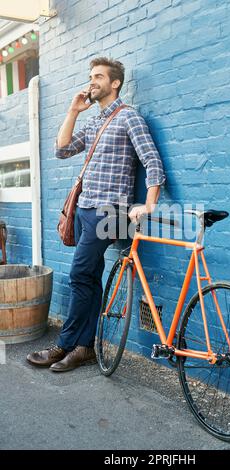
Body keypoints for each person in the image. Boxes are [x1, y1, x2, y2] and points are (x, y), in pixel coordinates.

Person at [27, 57, 166, 372]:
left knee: (79, 274)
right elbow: (62, 149)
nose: (92, 82)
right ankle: (84, 346)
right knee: (87, 277)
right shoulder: (94, 121)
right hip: (86, 208)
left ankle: (68, 344)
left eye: (99, 77)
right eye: (91, 76)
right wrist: (73, 111)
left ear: (115, 83)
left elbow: (152, 161)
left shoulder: (129, 118)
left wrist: (149, 203)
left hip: (111, 212)